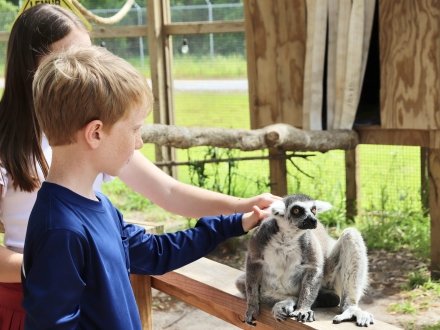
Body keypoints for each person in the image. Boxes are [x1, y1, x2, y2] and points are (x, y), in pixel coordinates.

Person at [0, 5, 280, 329]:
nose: (139, 143)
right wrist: (52, 265)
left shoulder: (100, 201)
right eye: (135, 130)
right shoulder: (61, 223)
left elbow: (156, 241)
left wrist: (236, 219)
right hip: (31, 292)